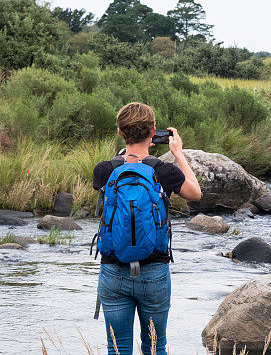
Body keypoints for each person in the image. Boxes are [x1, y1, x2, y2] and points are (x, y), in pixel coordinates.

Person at [92, 102, 201, 355]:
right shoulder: (163, 171)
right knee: (155, 347)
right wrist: (178, 153)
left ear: (120, 132)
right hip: (154, 273)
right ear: (153, 132)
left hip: (113, 271)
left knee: (117, 350)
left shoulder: (104, 170)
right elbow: (195, 193)